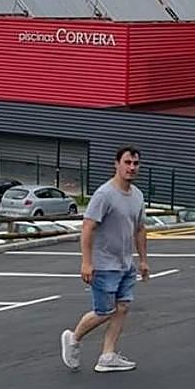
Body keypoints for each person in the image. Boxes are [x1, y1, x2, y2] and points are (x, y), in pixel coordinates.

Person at [61, 146, 150, 373]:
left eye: (135, 163)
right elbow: (88, 227)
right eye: (127, 162)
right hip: (104, 264)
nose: (132, 167)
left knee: (122, 307)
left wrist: (142, 260)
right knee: (105, 311)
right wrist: (86, 262)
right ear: (116, 164)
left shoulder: (137, 195)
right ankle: (74, 337)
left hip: (125, 263)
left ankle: (108, 355)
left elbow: (140, 229)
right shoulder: (104, 194)